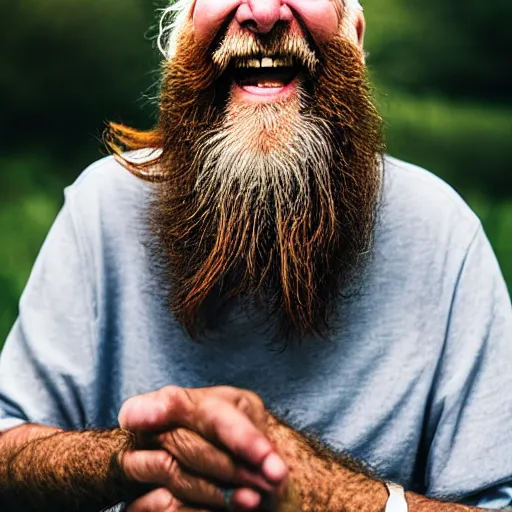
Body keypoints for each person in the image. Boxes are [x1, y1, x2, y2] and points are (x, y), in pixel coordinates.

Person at [1, 0, 511, 510]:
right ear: (183, 39)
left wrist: (324, 493)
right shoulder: (102, 207)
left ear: (353, 32)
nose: (264, 12)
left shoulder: (443, 233)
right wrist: (126, 461)